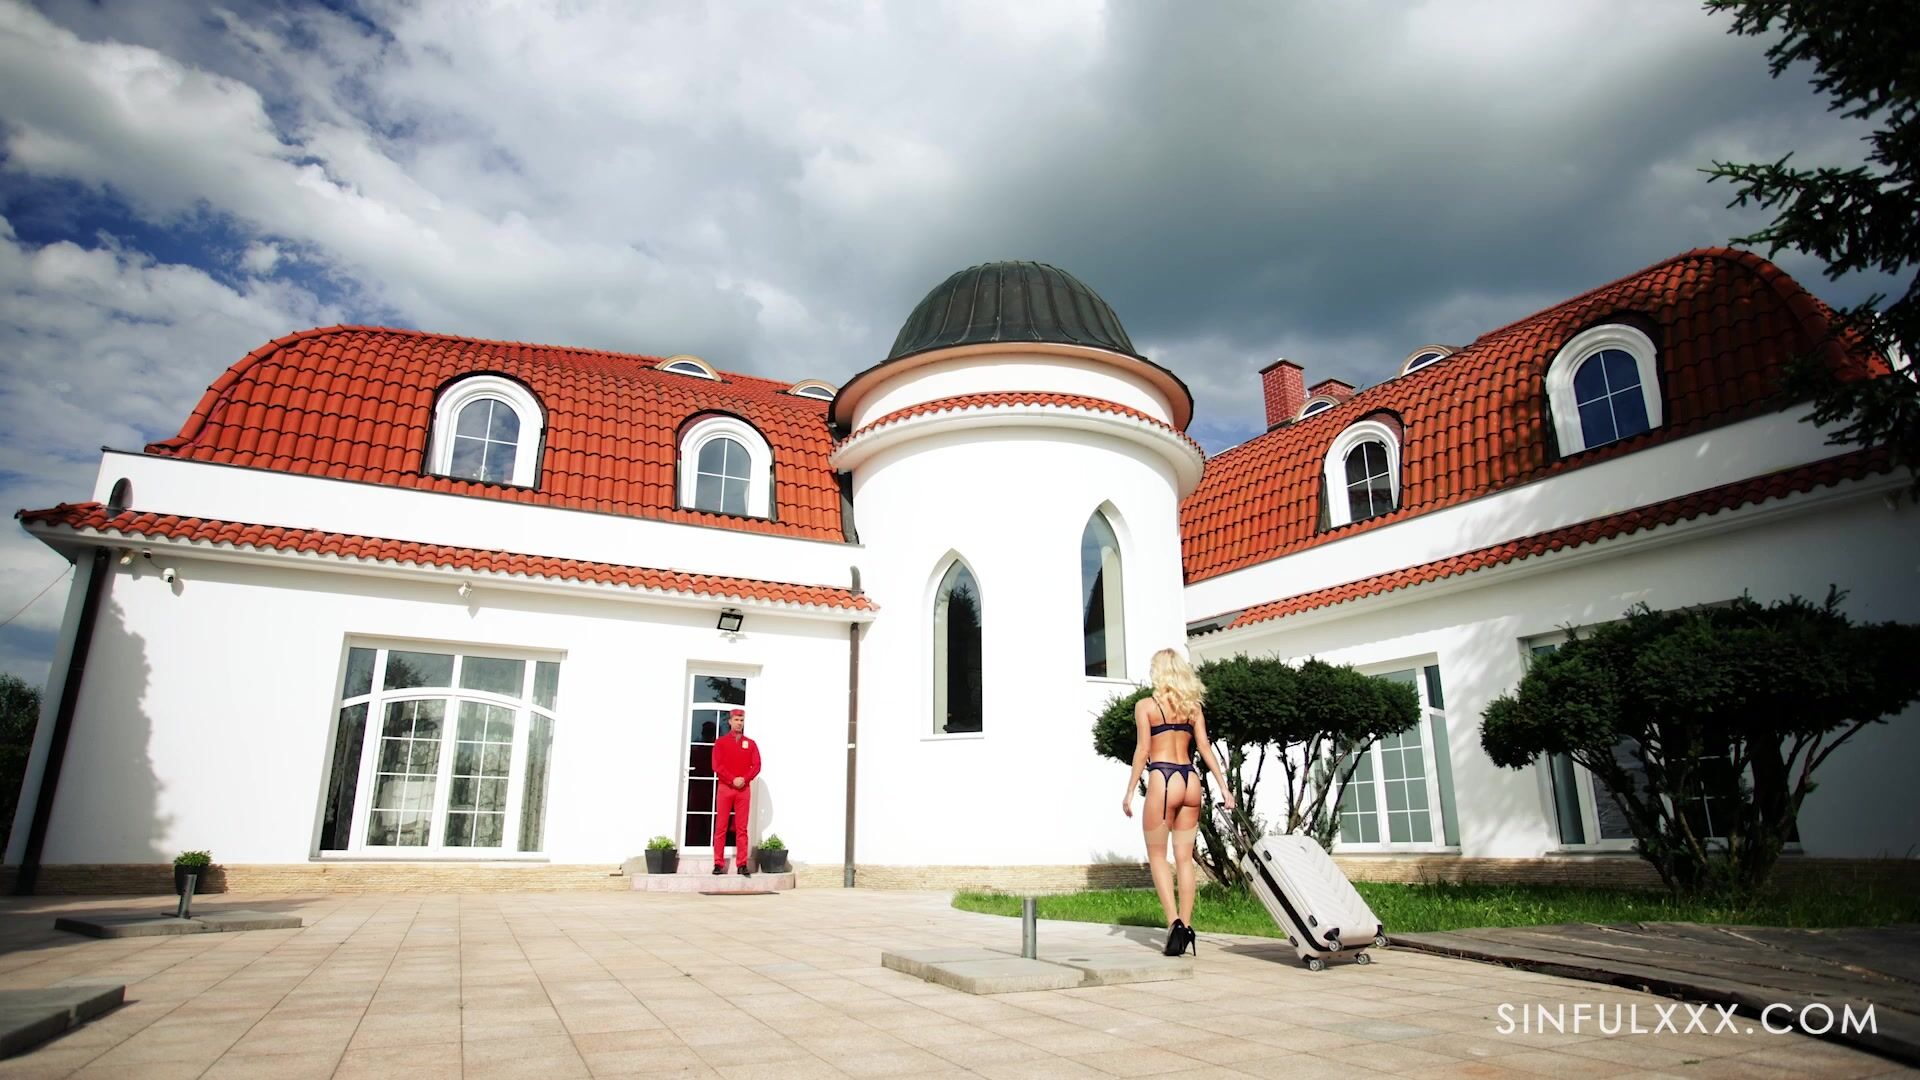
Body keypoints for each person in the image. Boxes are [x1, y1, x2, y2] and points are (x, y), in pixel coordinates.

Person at [1121, 648, 1232, 956]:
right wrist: (1224, 788)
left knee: (1158, 856)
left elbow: (1143, 750)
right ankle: (1188, 924)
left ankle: (1174, 924)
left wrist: (1130, 791)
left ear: (1158, 672)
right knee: (1184, 859)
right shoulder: (1193, 707)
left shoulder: (1146, 706)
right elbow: (1205, 747)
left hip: (1163, 779)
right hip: (1190, 779)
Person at [711, 707, 762, 876]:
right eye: (736, 720)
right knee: (721, 826)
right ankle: (718, 863)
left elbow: (757, 765)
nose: (739, 723)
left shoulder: (751, 744)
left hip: (743, 790)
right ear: (730, 721)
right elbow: (716, 765)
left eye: (741, 720)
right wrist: (732, 779)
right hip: (725, 788)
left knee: (742, 828)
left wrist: (744, 779)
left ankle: (742, 864)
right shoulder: (720, 743)